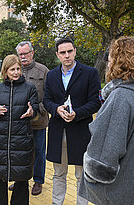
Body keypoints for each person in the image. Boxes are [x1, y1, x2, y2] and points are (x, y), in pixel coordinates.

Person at [43, 38, 101, 205]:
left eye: (69, 51)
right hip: (57, 130)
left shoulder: (90, 73)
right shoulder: (52, 75)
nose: (67, 55)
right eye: (63, 52)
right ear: (57, 55)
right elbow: (46, 100)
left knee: (82, 175)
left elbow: (95, 102)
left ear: (75, 51)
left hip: (81, 130)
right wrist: (56, 109)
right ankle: (57, 202)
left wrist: (77, 113)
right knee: (58, 173)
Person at [79, 36, 134, 205]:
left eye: (110, 58)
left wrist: (90, 177)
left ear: (119, 62)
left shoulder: (121, 96)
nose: (108, 63)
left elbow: (105, 153)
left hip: (118, 190)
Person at [0, 54, 39, 205]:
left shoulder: (30, 88)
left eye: (18, 69)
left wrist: (32, 112)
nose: (16, 72)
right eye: (12, 69)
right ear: (5, 71)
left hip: (22, 140)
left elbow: (35, 110)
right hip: (1, 141)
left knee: (22, 179)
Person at [12, 41, 49, 195]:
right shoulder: (14, 70)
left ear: (32, 53)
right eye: (20, 54)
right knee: (19, 152)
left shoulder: (43, 71)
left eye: (26, 53)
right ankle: (20, 180)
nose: (23, 57)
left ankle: (38, 181)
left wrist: (36, 110)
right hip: (19, 121)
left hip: (37, 121)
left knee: (39, 152)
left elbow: (50, 97)